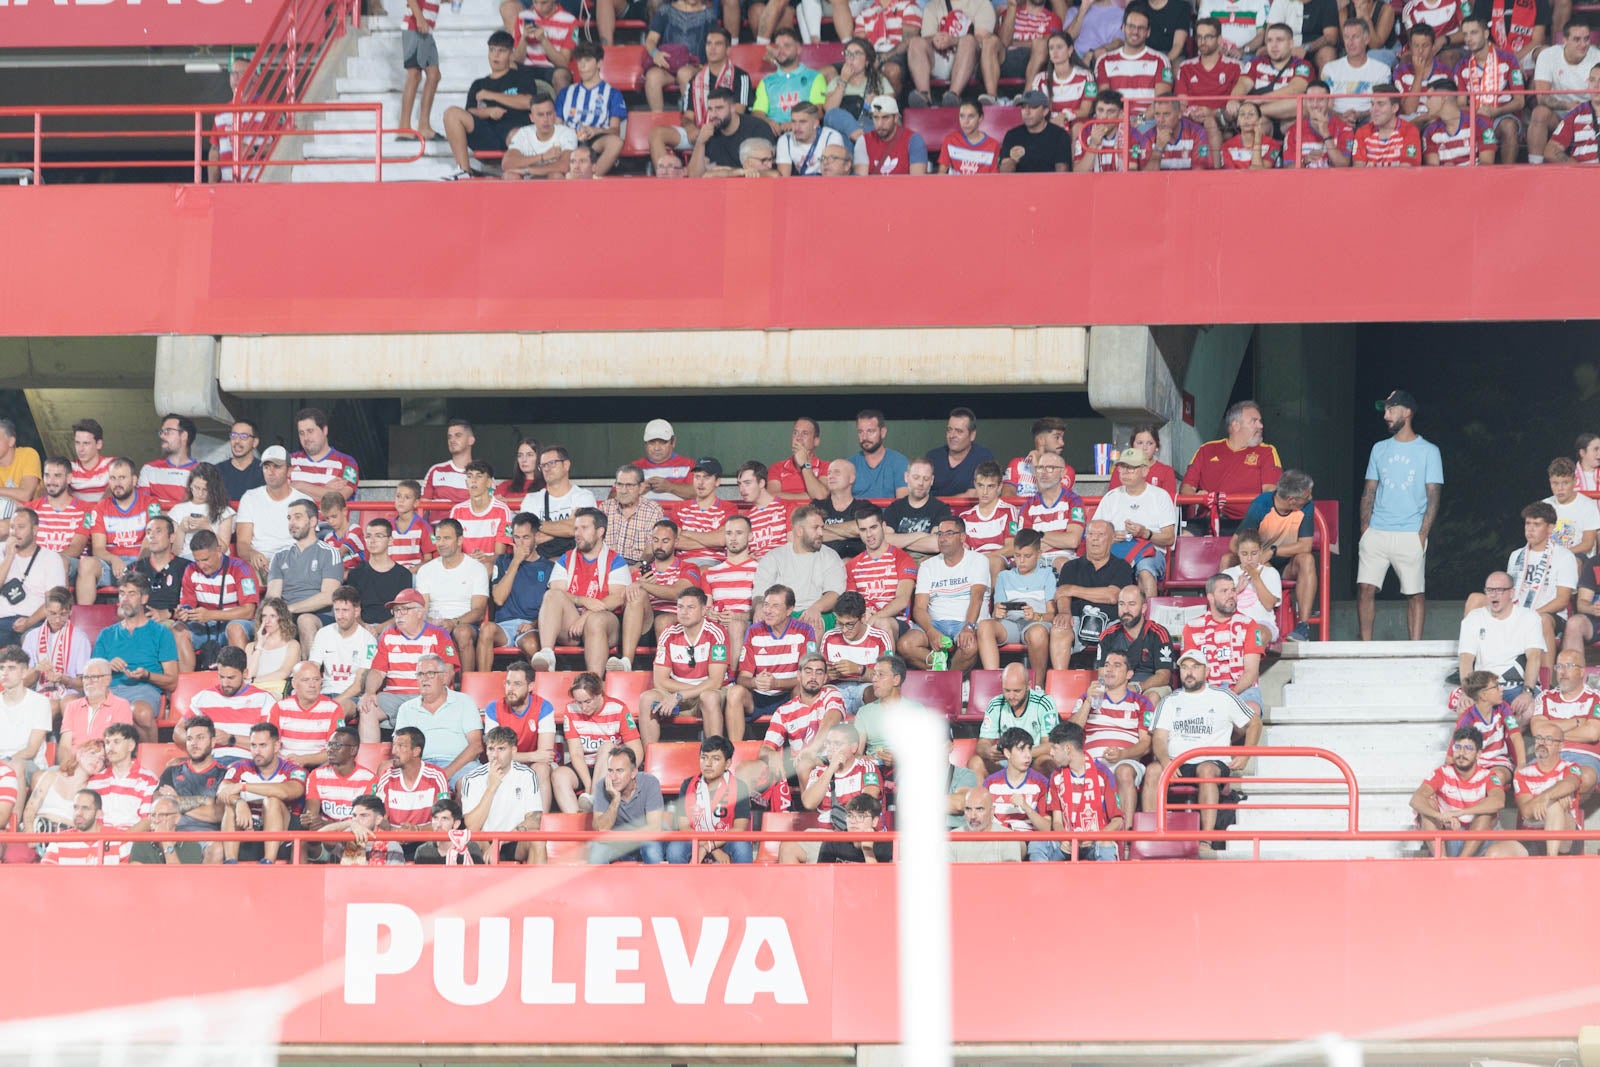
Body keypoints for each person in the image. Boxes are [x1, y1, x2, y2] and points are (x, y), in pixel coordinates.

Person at [1143, 650, 1261, 844]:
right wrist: (1165, 762)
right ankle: (1151, 839)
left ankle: (1206, 839)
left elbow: (1254, 723)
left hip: (1211, 762)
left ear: (1206, 671)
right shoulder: (1169, 701)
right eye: (1185, 667)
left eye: (1195, 667)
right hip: (1176, 761)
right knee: (1153, 770)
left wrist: (1246, 754)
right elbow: (1159, 738)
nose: (1189, 672)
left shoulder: (1223, 696)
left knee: (1206, 769)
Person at [1358, 389, 1443, 641]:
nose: (1386, 415)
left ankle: (1415, 648)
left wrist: (1422, 534)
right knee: (1365, 588)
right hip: (1377, 530)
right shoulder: (1379, 449)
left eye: (1391, 409)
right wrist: (1366, 530)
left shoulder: (1429, 451)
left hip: (1410, 532)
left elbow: (1433, 495)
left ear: (1407, 412)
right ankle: (1365, 648)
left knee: (1415, 592)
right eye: (1385, 410)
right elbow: (1369, 490)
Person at [530, 508, 640, 676]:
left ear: (600, 531)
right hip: (571, 624)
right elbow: (556, 592)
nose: (577, 534)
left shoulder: (616, 560)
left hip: (605, 624)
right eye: (575, 528)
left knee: (595, 620)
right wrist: (581, 600)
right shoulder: (565, 558)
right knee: (551, 596)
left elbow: (617, 598)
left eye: (584, 528)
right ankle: (547, 654)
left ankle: (594, 681)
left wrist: (585, 616)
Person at [1461, 502, 1577, 660]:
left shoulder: (1564, 556)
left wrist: (1529, 615)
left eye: (1536, 524)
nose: (1530, 529)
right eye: (1528, 523)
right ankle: (1469, 660)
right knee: (1475, 599)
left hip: (1548, 614)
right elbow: (1508, 590)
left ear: (1550, 528)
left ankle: (1546, 680)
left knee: (1541, 620)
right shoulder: (1517, 555)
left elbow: (1562, 600)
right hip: (1516, 609)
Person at [357, 588, 461, 743]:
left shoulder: (438, 634)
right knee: (367, 707)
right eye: (396, 610)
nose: (398, 614)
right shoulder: (388, 634)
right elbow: (377, 672)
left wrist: (429, 693)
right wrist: (370, 692)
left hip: (425, 695)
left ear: (420, 612)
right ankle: (371, 762)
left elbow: (448, 672)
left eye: (404, 609)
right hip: (393, 696)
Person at [1069, 649, 1154, 820]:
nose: (1109, 670)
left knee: (1124, 772)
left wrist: (1123, 754)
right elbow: (1071, 732)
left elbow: (1146, 744)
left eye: (1117, 666)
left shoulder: (1141, 702)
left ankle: (1125, 837)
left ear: (1129, 674)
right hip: (1090, 761)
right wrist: (1088, 702)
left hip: (1125, 760)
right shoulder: (1088, 697)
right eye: (1106, 665)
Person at [778, 722, 881, 864]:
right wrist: (830, 770)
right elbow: (808, 802)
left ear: (853, 747)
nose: (831, 749)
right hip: (826, 835)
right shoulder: (819, 772)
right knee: (788, 847)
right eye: (828, 744)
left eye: (837, 744)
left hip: (855, 834)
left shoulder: (866, 767)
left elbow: (869, 799)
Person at [638, 586, 729, 745]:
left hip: (705, 694)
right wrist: (683, 693)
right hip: (679, 694)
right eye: (680, 607)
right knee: (647, 698)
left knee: (709, 697)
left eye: (690, 607)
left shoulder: (717, 633)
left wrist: (680, 695)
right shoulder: (668, 634)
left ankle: (716, 755)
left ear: (703, 610)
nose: (684, 612)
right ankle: (649, 760)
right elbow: (660, 681)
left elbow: (715, 682)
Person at [726, 585, 817, 741]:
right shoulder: (754, 631)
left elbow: (808, 677)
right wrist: (755, 682)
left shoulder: (804, 631)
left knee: (802, 689)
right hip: (758, 696)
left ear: (790, 610)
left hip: (788, 695)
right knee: (735, 692)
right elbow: (742, 678)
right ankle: (735, 752)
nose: (768, 610)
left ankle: (802, 750)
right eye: (766, 605)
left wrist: (776, 682)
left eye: (775, 606)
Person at [91, 574, 176, 743]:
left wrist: (147, 675)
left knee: (141, 712)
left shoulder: (161, 633)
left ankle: (148, 764)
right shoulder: (107, 634)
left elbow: (172, 681)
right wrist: (106, 665)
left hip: (144, 690)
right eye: (122, 593)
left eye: (131, 594)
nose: (125, 599)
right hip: (111, 690)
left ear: (144, 598)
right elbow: (91, 676)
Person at [437, 30, 538, 171]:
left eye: (501, 51)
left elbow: (529, 102)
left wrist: (492, 95)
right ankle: (464, 171)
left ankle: (520, 170)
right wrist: (487, 112)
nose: (495, 55)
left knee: (517, 134)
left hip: (514, 131)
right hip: (487, 133)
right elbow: (470, 111)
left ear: (511, 53)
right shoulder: (479, 84)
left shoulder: (522, 77)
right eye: (492, 50)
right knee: (451, 113)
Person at [1234, 470, 1317, 641]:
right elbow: (1234, 544)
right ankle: (1226, 616)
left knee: (1307, 560)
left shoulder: (1306, 506)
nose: (1310, 499)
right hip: (1259, 565)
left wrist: (1273, 551)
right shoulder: (1261, 505)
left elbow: (1306, 545)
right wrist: (1256, 559)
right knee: (1227, 558)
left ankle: (1303, 625)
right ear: (1292, 500)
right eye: (1306, 497)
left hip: (1286, 564)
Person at [900, 515, 990, 671]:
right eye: (939, 534)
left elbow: (977, 598)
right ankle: (946, 672)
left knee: (969, 647)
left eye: (949, 533)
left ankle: (947, 680)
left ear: (962, 537)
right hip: (936, 623)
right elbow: (919, 608)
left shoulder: (978, 560)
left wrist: (968, 627)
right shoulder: (927, 566)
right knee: (905, 645)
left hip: (965, 622)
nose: (942, 538)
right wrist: (931, 631)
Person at [1180, 399, 1282, 534]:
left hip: (1248, 522)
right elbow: (1186, 489)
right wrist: (1198, 497)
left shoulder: (1267, 451)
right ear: (1236, 425)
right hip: (1207, 519)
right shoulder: (1206, 449)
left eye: (1260, 421)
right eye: (1254, 421)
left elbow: (1270, 492)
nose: (1261, 426)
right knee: (1185, 537)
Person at [551, 671, 644, 813]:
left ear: (599, 694)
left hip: (612, 766)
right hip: (585, 766)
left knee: (607, 747)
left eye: (587, 701)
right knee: (559, 776)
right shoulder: (570, 709)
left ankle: (595, 800)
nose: (583, 707)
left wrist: (623, 772)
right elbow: (576, 753)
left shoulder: (618, 708)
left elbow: (637, 750)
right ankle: (575, 825)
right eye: (579, 702)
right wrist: (588, 784)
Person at [1034, 720, 1125, 861]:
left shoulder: (1103, 773)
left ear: (1068, 748)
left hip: (1095, 841)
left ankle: (1108, 882)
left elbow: (1117, 820)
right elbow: (1057, 822)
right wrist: (1065, 838)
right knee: (1037, 844)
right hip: (1067, 841)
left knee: (1106, 845)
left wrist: (1096, 836)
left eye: (1054, 748)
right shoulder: (1056, 776)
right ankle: (1042, 881)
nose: (1051, 753)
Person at [1092, 450, 1178, 600]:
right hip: (1116, 550)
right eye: (1122, 467)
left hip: (1150, 552)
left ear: (1145, 470)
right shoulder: (1111, 497)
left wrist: (1145, 533)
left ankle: (1149, 617)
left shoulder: (1160, 496)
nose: (1125, 472)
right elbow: (1093, 532)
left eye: (1131, 468)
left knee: (1145, 569)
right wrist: (1110, 537)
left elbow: (1169, 538)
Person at [1458, 571, 1546, 716]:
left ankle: (1504, 736)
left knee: (1529, 710)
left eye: (1499, 590)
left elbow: (1534, 657)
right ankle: (1493, 735)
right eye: (1489, 590)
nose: (1493, 595)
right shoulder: (1473, 618)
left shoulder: (1529, 617)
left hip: (1517, 685)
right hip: (1484, 686)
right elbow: (1466, 659)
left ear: (1511, 593)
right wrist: (1467, 692)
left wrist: (1527, 692)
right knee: (1464, 709)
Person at [218, 721, 307, 864]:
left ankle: (268, 862)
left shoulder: (294, 770)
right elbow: (223, 790)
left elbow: (287, 791)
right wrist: (239, 802)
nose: (257, 751)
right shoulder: (240, 767)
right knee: (230, 806)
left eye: (263, 745)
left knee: (272, 800)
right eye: (253, 745)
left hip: (282, 837)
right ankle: (230, 862)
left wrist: (243, 787)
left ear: (276, 746)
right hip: (247, 831)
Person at [1050, 519, 1133, 671]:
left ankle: (1109, 686)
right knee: (1059, 628)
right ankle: (1060, 683)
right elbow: (1062, 594)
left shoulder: (1122, 567)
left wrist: (1073, 589)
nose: (1094, 538)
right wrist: (1064, 612)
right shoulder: (1070, 566)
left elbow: (1112, 596)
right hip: (1077, 619)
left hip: (1111, 622)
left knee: (1120, 633)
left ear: (1112, 539)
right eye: (1090, 534)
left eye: (1100, 534)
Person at [977, 529, 1057, 687]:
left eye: (1027, 556)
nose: (1021, 561)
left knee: (1037, 633)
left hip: (1036, 623)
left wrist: (1036, 616)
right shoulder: (1004, 577)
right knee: (985, 626)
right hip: (1010, 624)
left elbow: (1052, 615)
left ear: (1039, 553)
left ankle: (1037, 687)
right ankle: (993, 684)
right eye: (1017, 555)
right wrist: (996, 612)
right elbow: (996, 613)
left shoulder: (1047, 575)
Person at [1409, 725, 1502, 858]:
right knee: (1427, 806)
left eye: (1468, 748)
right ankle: (1442, 861)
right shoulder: (1442, 772)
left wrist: (1460, 813)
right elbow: (1416, 800)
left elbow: (1498, 802)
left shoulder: (1489, 776)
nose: (1461, 753)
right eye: (1457, 747)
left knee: (1486, 814)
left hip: (1479, 840)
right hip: (1450, 835)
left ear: (1479, 753)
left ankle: (1461, 860)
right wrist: (1439, 816)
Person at [394, 653, 484, 788]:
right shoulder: (406, 709)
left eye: (430, 673)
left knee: (467, 785)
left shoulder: (464, 701)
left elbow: (476, 746)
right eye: (420, 674)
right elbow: (400, 747)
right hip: (420, 765)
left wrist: (446, 772)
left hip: (460, 765)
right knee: (385, 770)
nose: (424, 679)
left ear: (444, 677)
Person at [1181, 573, 1266, 715]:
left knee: (1252, 711)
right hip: (1206, 689)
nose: (1231, 595)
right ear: (1210, 597)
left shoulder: (1250, 625)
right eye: (1224, 591)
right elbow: (1190, 671)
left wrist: (1230, 694)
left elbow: (1251, 673)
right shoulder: (1191, 627)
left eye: (1233, 590)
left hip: (1242, 689)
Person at [753, 505, 846, 635]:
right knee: (764, 622)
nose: (821, 533)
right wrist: (758, 608)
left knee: (813, 624)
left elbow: (835, 593)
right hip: (781, 612)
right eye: (815, 528)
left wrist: (816, 608)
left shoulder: (830, 556)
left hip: (816, 612)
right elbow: (759, 592)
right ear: (799, 531)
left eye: (822, 528)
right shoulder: (774, 556)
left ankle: (811, 656)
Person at [459, 725, 546, 864]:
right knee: (471, 839)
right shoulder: (471, 778)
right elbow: (472, 826)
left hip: (512, 839)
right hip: (482, 841)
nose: (495, 755)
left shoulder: (527, 775)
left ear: (513, 750)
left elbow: (534, 821)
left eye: (501, 749)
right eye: (491, 749)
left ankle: (537, 885)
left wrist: (499, 841)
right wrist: (492, 787)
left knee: (538, 842)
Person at [478, 513, 553, 670]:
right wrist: (515, 562)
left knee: (531, 643)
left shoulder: (549, 567)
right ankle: (483, 684)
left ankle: (540, 686)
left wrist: (533, 624)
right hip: (504, 626)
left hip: (531, 626)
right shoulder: (503, 561)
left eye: (526, 537)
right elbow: (498, 598)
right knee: (486, 629)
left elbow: (552, 608)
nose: (520, 543)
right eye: (517, 537)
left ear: (536, 537)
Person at [266, 499, 343, 650]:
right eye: (289, 518)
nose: (292, 523)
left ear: (313, 521)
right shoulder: (279, 556)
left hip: (321, 616)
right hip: (286, 615)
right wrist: (276, 613)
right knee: (267, 618)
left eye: (298, 517)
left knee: (305, 620)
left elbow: (328, 596)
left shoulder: (330, 553)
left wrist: (290, 609)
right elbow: (272, 596)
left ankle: (310, 670)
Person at [413, 517, 491, 660]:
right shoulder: (425, 570)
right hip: (433, 622)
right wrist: (433, 622)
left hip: (464, 623)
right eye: (438, 538)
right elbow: (422, 608)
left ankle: (466, 681)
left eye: (447, 538)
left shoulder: (477, 568)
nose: (441, 543)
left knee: (462, 633)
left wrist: (453, 622)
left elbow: (479, 611)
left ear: (460, 540)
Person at [666, 735, 753, 864]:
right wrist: (711, 848)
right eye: (704, 758)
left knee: (742, 848)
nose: (708, 763)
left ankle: (741, 884)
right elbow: (684, 826)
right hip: (696, 840)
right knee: (675, 849)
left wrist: (708, 847)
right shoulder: (688, 785)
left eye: (715, 759)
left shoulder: (739, 786)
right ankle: (683, 884)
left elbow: (739, 828)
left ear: (727, 763)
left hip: (726, 841)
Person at [81, 458, 161, 598]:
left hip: (141, 562)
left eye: (122, 478)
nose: (117, 484)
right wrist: (113, 559)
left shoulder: (150, 504)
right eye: (113, 478)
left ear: (134, 480)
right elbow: (98, 549)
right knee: (86, 564)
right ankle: (83, 619)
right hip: (111, 565)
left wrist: (137, 567)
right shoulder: (100, 508)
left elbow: (151, 541)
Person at [762, 652, 846, 783]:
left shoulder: (831, 694)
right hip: (797, 766)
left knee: (805, 763)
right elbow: (765, 749)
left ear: (825, 678)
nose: (813, 677)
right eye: (808, 671)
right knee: (749, 767)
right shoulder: (784, 711)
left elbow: (831, 720)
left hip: (830, 759)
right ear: (798, 675)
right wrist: (771, 754)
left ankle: (810, 803)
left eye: (819, 673)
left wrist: (811, 750)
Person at [182, 647, 276, 763]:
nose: (225, 683)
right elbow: (178, 732)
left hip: (247, 762)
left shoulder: (264, 699)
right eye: (221, 677)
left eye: (231, 678)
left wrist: (231, 739)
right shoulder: (204, 697)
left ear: (245, 673)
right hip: (210, 762)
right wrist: (201, 742)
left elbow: (270, 743)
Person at [481, 660, 557, 798]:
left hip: (534, 764)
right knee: (497, 769)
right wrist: (532, 755)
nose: (510, 688)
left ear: (530, 686)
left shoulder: (544, 707)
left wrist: (531, 757)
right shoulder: (493, 709)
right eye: (508, 683)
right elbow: (495, 756)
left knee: (540, 768)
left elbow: (545, 756)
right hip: (507, 764)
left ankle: (541, 818)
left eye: (517, 684)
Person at [300, 727, 378, 859]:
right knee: (302, 843)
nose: (331, 749)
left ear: (353, 750)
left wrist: (327, 825)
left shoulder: (369, 779)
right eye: (329, 744)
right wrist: (308, 820)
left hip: (353, 838)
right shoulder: (316, 775)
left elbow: (363, 823)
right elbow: (312, 818)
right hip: (324, 839)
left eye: (337, 745)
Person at [235, 446, 314, 577]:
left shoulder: (304, 500)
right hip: (260, 564)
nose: (271, 472)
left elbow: (309, 544)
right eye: (266, 467)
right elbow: (242, 544)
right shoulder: (250, 497)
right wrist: (253, 554)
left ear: (289, 470)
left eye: (277, 467)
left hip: (294, 564)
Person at [373, 726, 452, 857]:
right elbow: (379, 817)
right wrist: (395, 832)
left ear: (416, 751)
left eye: (400, 746)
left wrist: (416, 831)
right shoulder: (387, 776)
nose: (394, 751)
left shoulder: (436, 776)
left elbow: (445, 821)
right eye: (394, 746)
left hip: (428, 841)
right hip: (393, 841)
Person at [1527, 22, 1599, 164]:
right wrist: (1568, 106)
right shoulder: (1548, 55)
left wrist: (1584, 110)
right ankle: (1534, 168)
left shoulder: (1597, 57)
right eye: (1577, 39)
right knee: (1539, 112)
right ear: (1564, 40)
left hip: (1591, 113)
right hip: (1560, 113)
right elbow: (1541, 98)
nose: (1583, 44)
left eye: (1587, 39)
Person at [846, 505, 919, 640]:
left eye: (873, 527)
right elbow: (852, 602)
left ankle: (888, 661)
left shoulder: (902, 558)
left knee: (881, 624)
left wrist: (875, 617)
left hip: (896, 621)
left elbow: (902, 600)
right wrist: (862, 615)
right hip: (864, 619)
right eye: (863, 530)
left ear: (883, 526)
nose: (869, 535)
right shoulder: (853, 565)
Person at [973, 663, 1059, 777]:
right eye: (1007, 690)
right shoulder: (995, 704)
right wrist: (988, 751)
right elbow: (982, 743)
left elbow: (1050, 745)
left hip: (1033, 759)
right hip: (1006, 761)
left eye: (1017, 691)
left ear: (1028, 685)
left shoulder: (1044, 703)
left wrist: (1019, 754)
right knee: (975, 763)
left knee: (1047, 761)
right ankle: (982, 795)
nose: (1011, 696)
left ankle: (1043, 794)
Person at [907, 0, 997, 107]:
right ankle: (924, 96)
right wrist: (936, 39)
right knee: (916, 42)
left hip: (969, 61)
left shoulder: (982, 4)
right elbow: (926, 38)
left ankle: (953, 95)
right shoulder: (933, 6)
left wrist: (954, 40)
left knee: (968, 41)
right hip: (939, 59)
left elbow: (982, 39)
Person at [555, 42, 627, 176]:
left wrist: (595, 130)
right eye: (579, 61)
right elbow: (556, 126)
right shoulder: (566, 93)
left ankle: (591, 179)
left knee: (616, 142)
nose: (582, 66)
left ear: (599, 63)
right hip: (570, 140)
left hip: (596, 139)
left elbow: (615, 131)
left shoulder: (612, 94)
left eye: (587, 60)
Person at [156, 715, 227, 849]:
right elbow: (159, 806)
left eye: (200, 738)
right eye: (189, 739)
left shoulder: (224, 774)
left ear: (212, 742)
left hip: (207, 839)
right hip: (173, 836)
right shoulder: (171, 771)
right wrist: (206, 802)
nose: (194, 743)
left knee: (216, 849)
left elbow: (217, 814)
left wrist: (176, 800)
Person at [307, 586, 377, 718]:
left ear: (356, 611)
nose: (340, 616)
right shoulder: (323, 633)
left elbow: (358, 686)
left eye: (345, 610)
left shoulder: (368, 640)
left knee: (339, 709)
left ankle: (333, 737)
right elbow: (313, 667)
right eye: (337, 610)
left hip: (350, 698)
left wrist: (331, 704)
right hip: (324, 692)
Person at [638, 0, 719, 113]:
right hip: (668, 66)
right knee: (653, 76)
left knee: (683, 73)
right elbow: (650, 40)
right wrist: (655, 54)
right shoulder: (665, 11)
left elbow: (715, 42)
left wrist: (707, 66)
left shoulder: (708, 15)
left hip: (695, 66)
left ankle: (691, 118)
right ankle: (657, 120)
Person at [0, 509, 66, 648]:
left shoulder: (51, 558)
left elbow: (54, 600)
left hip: (34, 621)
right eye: (12, 527)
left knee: (32, 640)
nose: (14, 532)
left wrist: (29, 621)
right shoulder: (2, 551)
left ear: (35, 530)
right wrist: (9, 557)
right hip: (2, 620)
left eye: (21, 527)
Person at [818, 591, 892, 714]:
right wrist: (827, 675)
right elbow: (819, 674)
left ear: (862, 618)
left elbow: (888, 678)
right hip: (836, 688)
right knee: (822, 694)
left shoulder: (879, 638)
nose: (844, 630)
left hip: (866, 688)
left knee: (878, 692)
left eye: (850, 624)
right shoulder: (829, 637)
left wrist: (859, 670)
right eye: (840, 624)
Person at [589, 746, 665, 865]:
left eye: (619, 771)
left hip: (642, 839)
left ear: (633, 773)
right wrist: (615, 799)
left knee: (652, 850)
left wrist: (621, 837)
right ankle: (600, 884)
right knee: (596, 851)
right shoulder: (601, 785)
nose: (613, 777)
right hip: (616, 843)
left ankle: (657, 883)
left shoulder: (650, 782)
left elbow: (654, 827)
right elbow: (601, 829)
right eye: (610, 771)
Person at [28, 458, 89, 604]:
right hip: (36, 565)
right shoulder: (31, 509)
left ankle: (61, 614)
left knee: (59, 562)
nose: (51, 481)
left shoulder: (86, 510)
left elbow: (77, 547)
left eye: (57, 476)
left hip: (71, 565)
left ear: (69, 478)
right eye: (47, 475)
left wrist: (49, 561)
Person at [1096, 586, 1174, 701]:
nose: (1126, 610)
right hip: (1117, 685)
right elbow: (1102, 674)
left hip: (1150, 687)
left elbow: (1164, 676)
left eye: (1131, 604)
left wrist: (1137, 687)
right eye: (1121, 604)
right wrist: (1116, 689)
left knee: (1151, 698)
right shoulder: (1108, 635)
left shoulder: (1158, 634)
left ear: (1143, 608)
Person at [23, 587, 89, 720]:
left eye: (63, 614)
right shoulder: (31, 637)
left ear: (70, 611)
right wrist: (37, 670)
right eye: (53, 613)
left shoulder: (80, 638)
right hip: (39, 691)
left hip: (70, 692)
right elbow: (23, 681)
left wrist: (64, 679)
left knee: (69, 704)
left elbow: (85, 683)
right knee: (47, 706)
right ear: (45, 611)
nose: (57, 620)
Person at [1451, 670, 1524, 788]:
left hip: (1500, 763)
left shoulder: (1504, 708)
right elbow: (1453, 751)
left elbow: (1515, 735)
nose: (1501, 689)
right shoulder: (1467, 719)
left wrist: (1521, 764)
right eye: (1496, 687)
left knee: (1495, 778)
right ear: (1483, 695)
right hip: (1475, 764)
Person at [0, 644, 50, 812]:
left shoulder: (40, 702)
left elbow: (30, 750)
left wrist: (3, 764)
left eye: (11, 668)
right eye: (1, 668)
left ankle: (15, 827)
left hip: (29, 765)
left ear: (24, 672)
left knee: (16, 766)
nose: (4, 673)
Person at [704, 514, 758, 668]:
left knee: (736, 625)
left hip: (746, 624)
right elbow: (706, 607)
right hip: (717, 625)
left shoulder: (760, 570)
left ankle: (732, 677)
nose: (733, 538)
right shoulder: (710, 573)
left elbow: (762, 611)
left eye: (739, 533)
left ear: (750, 536)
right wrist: (709, 613)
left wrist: (738, 616)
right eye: (729, 533)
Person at [983, 727, 1053, 845]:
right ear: (1007, 753)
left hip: (1029, 844)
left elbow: (1046, 828)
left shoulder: (1041, 783)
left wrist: (1026, 807)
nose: (1028, 756)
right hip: (997, 843)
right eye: (1021, 749)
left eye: (1029, 749)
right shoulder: (990, 783)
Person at [268, 660, 342, 769]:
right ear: (294, 683)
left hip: (319, 767)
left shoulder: (334, 709)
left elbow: (335, 750)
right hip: (284, 765)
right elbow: (270, 745)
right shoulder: (280, 708)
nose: (312, 685)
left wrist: (304, 760)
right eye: (305, 680)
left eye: (316, 679)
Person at [1093, 7, 1176, 103]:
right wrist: (1123, 118)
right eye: (1131, 26)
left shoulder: (1161, 60)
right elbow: (1105, 103)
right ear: (1123, 27)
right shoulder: (1104, 60)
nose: (1135, 32)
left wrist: (1138, 118)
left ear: (1148, 32)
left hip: (1147, 118)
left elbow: (1161, 103)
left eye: (1141, 28)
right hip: (1116, 117)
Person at [690, 86, 779, 176]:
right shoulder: (709, 134)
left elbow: (772, 174)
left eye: (719, 108)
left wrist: (730, 172)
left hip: (755, 187)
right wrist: (700, 142)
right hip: (723, 188)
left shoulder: (758, 128)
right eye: (710, 109)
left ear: (732, 108)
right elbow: (694, 177)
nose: (713, 115)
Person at [1019, 451, 1086, 570]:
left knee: (1062, 563)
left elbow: (1073, 540)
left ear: (1063, 472)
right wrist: (1058, 540)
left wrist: (1039, 535)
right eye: (1040, 468)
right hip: (1034, 561)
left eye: (1050, 468)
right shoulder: (1028, 506)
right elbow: (1023, 544)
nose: (1044, 473)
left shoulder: (1074, 502)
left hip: (1065, 559)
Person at [983, 0, 1064, 98]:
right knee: (989, 41)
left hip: (1033, 62)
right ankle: (991, 96)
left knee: (1040, 43)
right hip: (1005, 60)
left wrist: (1014, 42)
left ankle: (1027, 95)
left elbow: (1048, 44)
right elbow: (1004, 42)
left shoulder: (1054, 19)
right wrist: (1012, 7)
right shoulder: (1009, 13)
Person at [57, 656, 133, 760]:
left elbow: (119, 747)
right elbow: (64, 746)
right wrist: (67, 770)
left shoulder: (121, 705)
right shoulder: (72, 707)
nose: (89, 682)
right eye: (86, 677)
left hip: (102, 765)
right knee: (40, 775)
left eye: (94, 677)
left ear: (108, 680)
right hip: (73, 766)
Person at [348, 519, 415, 632]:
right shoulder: (355, 573)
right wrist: (364, 627)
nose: (372, 541)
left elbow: (404, 612)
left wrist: (378, 629)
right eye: (368, 536)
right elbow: (352, 608)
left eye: (378, 536)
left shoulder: (403, 575)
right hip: (361, 628)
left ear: (390, 541)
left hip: (393, 629)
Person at [598, 464, 668, 567]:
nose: (623, 491)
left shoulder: (653, 510)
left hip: (637, 564)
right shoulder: (605, 508)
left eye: (629, 485)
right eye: (619, 484)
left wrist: (637, 567)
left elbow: (651, 550)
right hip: (605, 564)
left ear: (641, 487)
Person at [1224, 529, 1284, 644]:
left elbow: (1269, 604)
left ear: (1261, 551)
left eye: (1254, 553)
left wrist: (1256, 578)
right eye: (1244, 554)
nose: (1249, 558)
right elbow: (1221, 606)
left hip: (1262, 623)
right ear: (1238, 552)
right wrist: (1236, 590)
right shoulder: (1228, 574)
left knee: (1257, 637)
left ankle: (1253, 661)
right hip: (1233, 623)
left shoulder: (1270, 573)